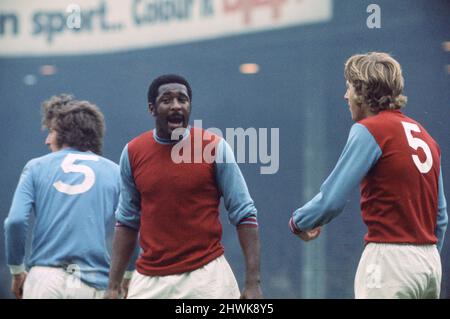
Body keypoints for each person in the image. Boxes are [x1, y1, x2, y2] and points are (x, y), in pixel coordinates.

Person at [289, 52, 448, 299]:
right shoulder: (426, 137)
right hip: (429, 264)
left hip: (389, 261)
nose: (345, 96)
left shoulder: (370, 130)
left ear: (363, 91)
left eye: (349, 87)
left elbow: (331, 199)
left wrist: (299, 221)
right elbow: (441, 218)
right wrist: (424, 257)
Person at [105, 74, 262, 299]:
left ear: (189, 106)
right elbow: (127, 221)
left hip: (207, 279)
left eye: (182, 99)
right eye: (167, 100)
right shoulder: (132, 152)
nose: (176, 106)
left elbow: (245, 214)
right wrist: (113, 285)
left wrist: (253, 282)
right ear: (152, 108)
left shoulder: (215, 147)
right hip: (149, 281)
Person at [4, 94, 133, 299]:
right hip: (94, 283)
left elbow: (16, 221)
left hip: (44, 280)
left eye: (51, 131)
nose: (47, 140)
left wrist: (17, 271)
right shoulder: (115, 172)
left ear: (65, 133)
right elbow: (132, 227)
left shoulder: (36, 167)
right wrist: (126, 275)